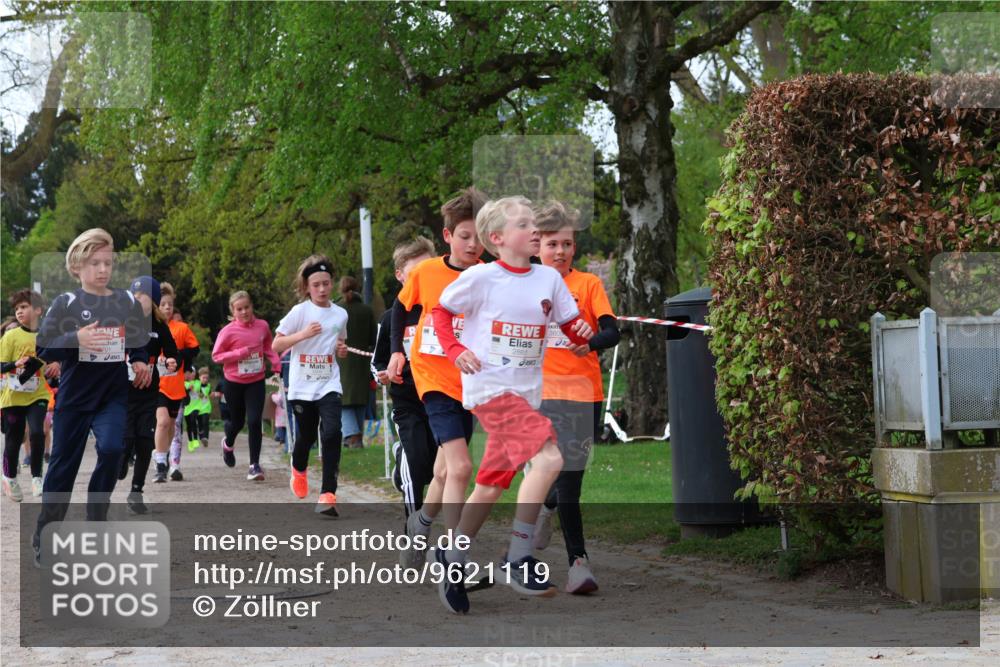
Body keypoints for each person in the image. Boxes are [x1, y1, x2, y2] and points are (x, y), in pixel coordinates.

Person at [430, 197, 593, 614]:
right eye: (524, 225)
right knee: (549, 459)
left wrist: (584, 331)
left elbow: (570, 326)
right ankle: (517, 557)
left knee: (489, 485)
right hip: (490, 389)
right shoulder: (481, 277)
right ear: (497, 238)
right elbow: (440, 314)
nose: (535, 230)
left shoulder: (548, 279)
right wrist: (455, 350)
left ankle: (452, 558)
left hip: (525, 395)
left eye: (534, 223)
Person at [32, 228, 152, 565]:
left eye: (107, 263)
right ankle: (45, 534)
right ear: (77, 266)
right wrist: (76, 338)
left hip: (111, 396)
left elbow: (138, 340)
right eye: (95, 263)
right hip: (74, 399)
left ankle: (96, 520)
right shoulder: (66, 303)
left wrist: (140, 359)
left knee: (113, 449)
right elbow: (43, 347)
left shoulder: (125, 301)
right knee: (62, 470)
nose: (102, 269)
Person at [386, 187, 486, 554]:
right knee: (461, 468)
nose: (473, 244)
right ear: (448, 235)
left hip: (470, 382)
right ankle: (453, 554)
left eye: (479, 237)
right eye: (465, 236)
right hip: (433, 380)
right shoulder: (427, 272)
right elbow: (399, 309)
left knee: (444, 472)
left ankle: (422, 521)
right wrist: (395, 352)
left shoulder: (489, 275)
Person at [534, 201, 620, 594]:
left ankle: (547, 506)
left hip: (585, 393)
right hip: (543, 393)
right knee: (565, 478)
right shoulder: (526, 286)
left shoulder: (587, 285)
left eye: (567, 244)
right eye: (552, 244)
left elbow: (611, 331)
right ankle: (578, 564)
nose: (560, 251)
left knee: (571, 477)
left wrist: (590, 344)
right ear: (537, 246)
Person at [372, 237, 438, 560]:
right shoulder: (391, 318)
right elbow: (377, 363)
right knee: (416, 463)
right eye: (415, 272)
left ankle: (402, 463)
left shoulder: (442, 310)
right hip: (407, 402)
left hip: (440, 400)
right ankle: (413, 531)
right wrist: (384, 374)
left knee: (434, 469)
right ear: (400, 275)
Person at [273, 255, 350, 515]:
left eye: (326, 283)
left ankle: (328, 494)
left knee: (332, 433)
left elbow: (339, 342)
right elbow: (276, 344)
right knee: (306, 436)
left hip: (329, 383)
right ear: (307, 287)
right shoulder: (300, 312)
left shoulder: (341, 314)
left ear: (332, 283)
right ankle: (299, 469)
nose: (322, 289)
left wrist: (341, 350)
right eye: (316, 285)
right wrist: (303, 334)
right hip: (302, 386)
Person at [120, 276, 178, 514]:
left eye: (142, 295)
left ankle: (136, 491)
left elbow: (173, 351)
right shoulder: (122, 321)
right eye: (133, 295)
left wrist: (172, 360)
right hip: (122, 393)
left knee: (145, 442)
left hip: (148, 393)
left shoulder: (159, 325)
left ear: (152, 299)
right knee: (126, 439)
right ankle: (121, 460)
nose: (136, 299)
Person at [211, 290, 281, 480]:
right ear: (233, 312)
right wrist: (239, 353)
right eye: (239, 309)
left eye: (247, 307)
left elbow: (268, 346)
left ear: (252, 306)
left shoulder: (262, 326)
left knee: (254, 421)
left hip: (256, 381)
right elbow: (216, 356)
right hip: (233, 383)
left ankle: (254, 466)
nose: (244, 312)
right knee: (237, 422)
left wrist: (275, 361)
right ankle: (228, 444)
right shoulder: (228, 332)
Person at [1, 289, 58, 501]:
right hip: (13, 396)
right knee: (14, 438)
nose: (19, 311)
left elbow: (56, 357)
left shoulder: (46, 336)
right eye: (17, 308)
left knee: (37, 432)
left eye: (24, 307)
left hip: (38, 394)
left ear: (38, 310)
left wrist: (56, 364)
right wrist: (14, 364)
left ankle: (37, 478)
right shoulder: (10, 336)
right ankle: (9, 478)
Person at [152, 284, 200, 482]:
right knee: (162, 422)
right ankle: (160, 464)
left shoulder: (181, 328)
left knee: (171, 426)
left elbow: (194, 348)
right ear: (156, 306)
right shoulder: (151, 327)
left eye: (170, 305)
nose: (167, 308)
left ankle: (162, 454)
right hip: (157, 384)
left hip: (176, 385)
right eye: (163, 304)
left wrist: (180, 357)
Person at [336, 276, 376, 449]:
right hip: (362, 361)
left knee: (344, 400)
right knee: (360, 399)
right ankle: (356, 436)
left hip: (341, 360)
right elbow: (373, 338)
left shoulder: (337, 310)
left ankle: (352, 436)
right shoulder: (367, 310)